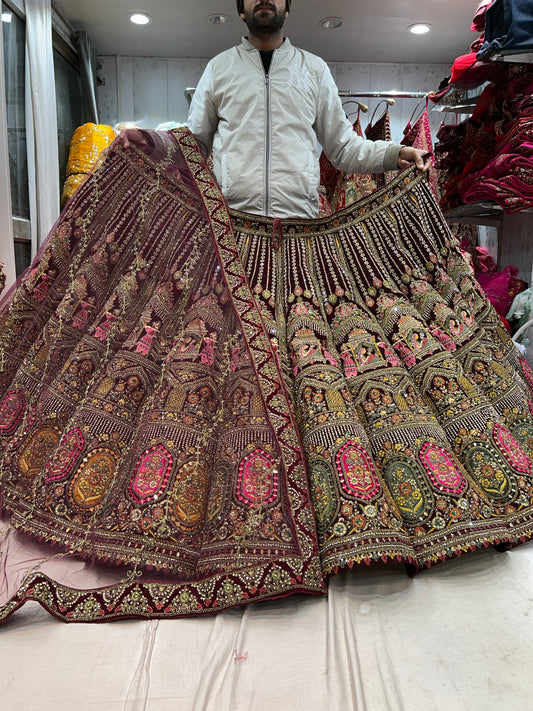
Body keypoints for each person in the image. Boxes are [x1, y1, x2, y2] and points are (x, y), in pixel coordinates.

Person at [188, 0, 431, 219]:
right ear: (241, 9)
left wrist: (396, 154)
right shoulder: (218, 69)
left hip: (299, 222)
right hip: (232, 220)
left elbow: (343, 147)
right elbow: (193, 146)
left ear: (287, 7)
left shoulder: (314, 70)